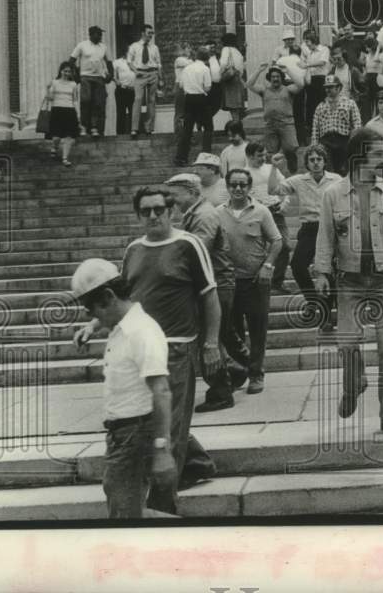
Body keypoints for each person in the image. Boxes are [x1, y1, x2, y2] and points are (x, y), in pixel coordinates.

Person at [75, 185, 223, 513]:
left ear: (171, 211)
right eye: (146, 211)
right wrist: (93, 325)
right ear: (139, 214)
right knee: (151, 423)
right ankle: (196, 463)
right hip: (137, 348)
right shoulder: (133, 250)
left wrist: (211, 343)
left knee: (167, 431)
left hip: (177, 351)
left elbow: (210, 296)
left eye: (159, 209)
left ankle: (163, 508)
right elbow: (117, 297)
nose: (153, 215)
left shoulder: (189, 244)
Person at [313, 127, 383, 438]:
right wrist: (321, 273)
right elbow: (326, 236)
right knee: (347, 345)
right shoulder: (333, 194)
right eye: (378, 154)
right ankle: (354, 382)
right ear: (360, 155)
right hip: (349, 282)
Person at [70, 258, 174, 519]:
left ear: (108, 297)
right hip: (122, 436)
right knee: (124, 508)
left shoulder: (141, 332)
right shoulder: (123, 326)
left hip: (134, 436)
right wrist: (92, 326)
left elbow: (161, 391)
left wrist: (162, 450)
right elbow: (110, 313)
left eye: (91, 310)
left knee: (124, 515)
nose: (91, 316)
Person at [164, 173, 243, 414]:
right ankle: (235, 370)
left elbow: (196, 252)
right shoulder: (197, 214)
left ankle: (220, 393)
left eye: (174, 194)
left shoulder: (204, 215)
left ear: (191, 192)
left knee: (210, 341)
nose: (171, 200)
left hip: (216, 285)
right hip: (215, 284)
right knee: (214, 338)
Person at [217, 168, 285, 395]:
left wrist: (268, 267)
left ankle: (256, 374)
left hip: (256, 281)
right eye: (233, 185)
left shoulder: (262, 211)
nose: (238, 189)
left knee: (257, 329)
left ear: (249, 187)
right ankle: (240, 372)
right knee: (231, 330)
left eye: (242, 185)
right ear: (227, 187)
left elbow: (277, 241)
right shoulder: (217, 213)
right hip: (228, 282)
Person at [277, 144, 342, 334]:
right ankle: (313, 300)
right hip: (309, 228)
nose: (315, 163)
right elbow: (275, 189)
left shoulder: (336, 179)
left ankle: (326, 318)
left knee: (328, 271)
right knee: (297, 265)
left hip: (330, 227)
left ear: (324, 161)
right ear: (306, 162)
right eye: (311, 160)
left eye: (318, 159)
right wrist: (276, 168)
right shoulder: (298, 180)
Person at [244, 142, 292, 294]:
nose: (263, 158)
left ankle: (277, 282)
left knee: (284, 245)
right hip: (256, 213)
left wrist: (285, 203)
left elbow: (286, 186)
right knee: (258, 249)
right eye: (259, 156)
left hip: (276, 210)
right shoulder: (244, 173)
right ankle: (259, 282)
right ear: (250, 156)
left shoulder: (271, 168)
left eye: (264, 155)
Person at [248, 65, 300, 174]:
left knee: (291, 148)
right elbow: (249, 84)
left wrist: (288, 71)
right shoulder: (264, 90)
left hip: (286, 124)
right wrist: (258, 70)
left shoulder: (288, 89)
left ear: (281, 78)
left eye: (278, 76)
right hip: (270, 125)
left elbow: (300, 84)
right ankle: (272, 174)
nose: (275, 79)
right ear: (270, 78)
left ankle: (293, 171)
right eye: (273, 77)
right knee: (270, 153)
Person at [311, 74, 363, 175]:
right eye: (326, 87)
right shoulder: (320, 106)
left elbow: (357, 123)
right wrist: (314, 145)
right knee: (328, 171)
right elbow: (315, 128)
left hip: (343, 140)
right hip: (325, 141)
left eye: (331, 87)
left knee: (343, 171)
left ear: (339, 88)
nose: (328, 90)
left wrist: (354, 141)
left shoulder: (349, 103)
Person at [174, 47, 213, 167]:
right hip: (201, 98)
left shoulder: (187, 68)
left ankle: (181, 157)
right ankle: (206, 156)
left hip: (189, 99)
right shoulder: (205, 69)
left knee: (187, 129)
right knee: (208, 127)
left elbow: (181, 85)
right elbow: (207, 87)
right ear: (206, 59)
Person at [71, 25, 113, 137]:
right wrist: (75, 74)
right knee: (85, 100)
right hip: (85, 76)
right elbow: (72, 60)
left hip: (99, 77)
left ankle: (94, 127)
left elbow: (109, 62)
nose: (100, 36)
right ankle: (84, 126)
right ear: (91, 35)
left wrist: (110, 74)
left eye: (100, 34)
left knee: (97, 102)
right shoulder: (82, 45)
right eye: (97, 34)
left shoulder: (103, 47)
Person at [127, 24, 161, 138]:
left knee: (151, 100)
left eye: (152, 33)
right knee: (137, 99)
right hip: (140, 74)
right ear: (142, 33)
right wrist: (136, 71)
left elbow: (158, 63)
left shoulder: (154, 47)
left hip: (153, 74)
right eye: (149, 33)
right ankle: (134, 129)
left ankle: (149, 127)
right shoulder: (134, 46)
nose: (151, 35)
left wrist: (160, 78)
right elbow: (129, 61)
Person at [45, 60, 81, 168]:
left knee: (69, 137)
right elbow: (50, 98)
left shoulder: (73, 84)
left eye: (69, 71)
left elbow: (75, 100)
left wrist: (78, 113)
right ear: (61, 71)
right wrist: (47, 89)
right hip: (57, 110)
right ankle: (55, 147)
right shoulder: (54, 82)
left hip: (70, 111)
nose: (67, 73)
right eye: (65, 71)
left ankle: (65, 158)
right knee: (56, 138)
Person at [302, 29, 332, 137]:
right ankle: (314, 131)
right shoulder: (310, 53)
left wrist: (307, 65)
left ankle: (325, 129)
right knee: (311, 106)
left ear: (313, 40)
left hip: (321, 80)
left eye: (307, 42)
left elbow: (322, 62)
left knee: (322, 103)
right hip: (312, 80)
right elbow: (309, 68)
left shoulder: (324, 49)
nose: (307, 45)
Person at [218, 32, 246, 122]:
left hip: (231, 80)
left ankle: (236, 126)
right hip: (238, 79)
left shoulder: (226, 49)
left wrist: (220, 74)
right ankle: (238, 125)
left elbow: (223, 63)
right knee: (237, 105)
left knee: (232, 106)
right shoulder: (237, 51)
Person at [112, 52, 136, 137]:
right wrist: (117, 82)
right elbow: (112, 75)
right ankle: (120, 134)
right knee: (121, 112)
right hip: (121, 90)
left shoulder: (136, 62)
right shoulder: (117, 62)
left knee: (133, 112)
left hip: (133, 90)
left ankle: (133, 132)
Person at [172, 42, 193, 134]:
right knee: (180, 112)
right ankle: (178, 134)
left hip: (188, 87)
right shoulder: (179, 59)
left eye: (190, 48)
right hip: (180, 87)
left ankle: (187, 134)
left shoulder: (189, 60)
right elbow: (191, 65)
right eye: (188, 48)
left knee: (188, 112)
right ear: (183, 50)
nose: (190, 50)